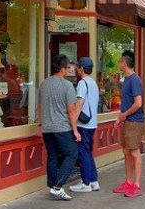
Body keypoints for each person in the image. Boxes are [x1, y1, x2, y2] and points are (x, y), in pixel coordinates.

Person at [40, 54, 80, 200]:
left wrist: (41, 124)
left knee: (52, 156)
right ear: (63, 69)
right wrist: (75, 130)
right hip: (62, 128)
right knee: (72, 154)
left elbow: (40, 106)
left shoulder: (44, 84)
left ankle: (52, 185)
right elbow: (71, 110)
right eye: (67, 68)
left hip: (47, 128)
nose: (68, 71)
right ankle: (58, 186)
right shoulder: (67, 85)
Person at [113, 51, 145, 198]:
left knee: (134, 151)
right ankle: (128, 181)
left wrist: (124, 115)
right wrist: (120, 118)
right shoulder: (126, 80)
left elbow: (138, 103)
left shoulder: (134, 79)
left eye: (120, 62)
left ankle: (136, 185)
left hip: (134, 121)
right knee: (126, 152)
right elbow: (126, 103)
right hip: (126, 120)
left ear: (124, 63)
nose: (119, 65)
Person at [70, 56, 100, 193]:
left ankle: (85, 182)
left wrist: (73, 123)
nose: (76, 68)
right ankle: (93, 181)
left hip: (84, 125)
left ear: (81, 68)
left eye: (77, 66)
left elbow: (79, 104)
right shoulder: (93, 83)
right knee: (88, 152)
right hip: (92, 123)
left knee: (83, 153)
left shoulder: (82, 83)